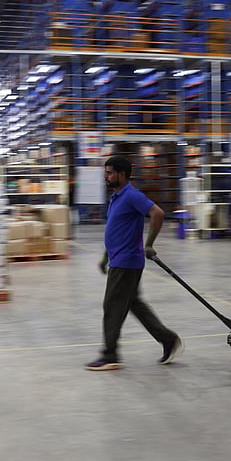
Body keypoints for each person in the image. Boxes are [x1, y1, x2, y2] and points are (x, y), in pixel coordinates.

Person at [85, 156, 183, 371]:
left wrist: (149, 244)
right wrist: (105, 256)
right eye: (106, 172)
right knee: (133, 303)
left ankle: (110, 355)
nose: (106, 176)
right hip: (119, 259)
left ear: (122, 174)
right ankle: (168, 339)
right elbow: (116, 230)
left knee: (112, 306)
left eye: (110, 172)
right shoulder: (116, 197)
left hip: (127, 261)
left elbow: (157, 213)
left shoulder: (132, 195)